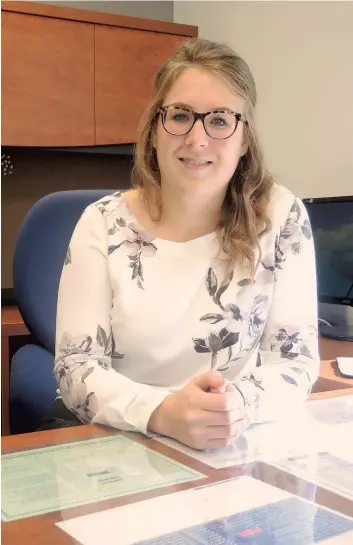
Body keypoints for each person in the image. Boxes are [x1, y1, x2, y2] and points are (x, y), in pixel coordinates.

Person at [53, 38, 319, 450]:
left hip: (235, 443)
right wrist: (163, 413)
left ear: (244, 140)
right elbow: (76, 368)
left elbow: (296, 360)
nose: (197, 139)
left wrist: (234, 407)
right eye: (180, 115)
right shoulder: (102, 223)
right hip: (127, 442)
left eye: (219, 120)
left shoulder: (281, 219)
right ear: (155, 131)